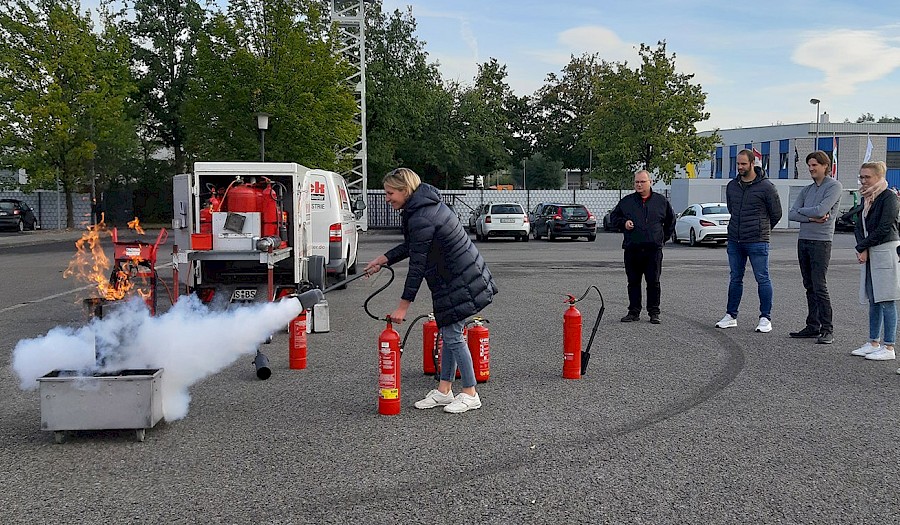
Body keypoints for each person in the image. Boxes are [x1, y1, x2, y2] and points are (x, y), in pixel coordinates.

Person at [364, 168, 497, 414]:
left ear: (405, 191)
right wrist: (384, 259)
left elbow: (418, 265)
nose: (387, 198)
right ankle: (444, 390)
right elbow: (415, 245)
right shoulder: (423, 208)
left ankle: (470, 393)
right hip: (454, 279)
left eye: (390, 193)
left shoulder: (421, 215)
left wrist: (403, 306)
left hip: (460, 280)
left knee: (454, 336)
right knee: (449, 334)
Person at [716, 149, 783, 332]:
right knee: (735, 278)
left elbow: (776, 213)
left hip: (757, 240)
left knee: (762, 278)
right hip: (735, 240)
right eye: (738, 164)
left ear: (753, 163)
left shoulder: (767, 187)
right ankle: (731, 315)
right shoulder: (732, 186)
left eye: (743, 164)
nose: (740, 167)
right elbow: (732, 208)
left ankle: (765, 318)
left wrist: (762, 230)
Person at [844, 161, 900, 362]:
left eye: (867, 177)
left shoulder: (889, 197)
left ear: (879, 177)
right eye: (861, 176)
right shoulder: (866, 198)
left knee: (887, 299)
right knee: (874, 299)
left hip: (885, 250)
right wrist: (863, 247)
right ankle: (873, 341)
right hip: (870, 250)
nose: (863, 180)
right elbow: (859, 225)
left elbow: (885, 227)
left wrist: (863, 247)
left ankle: (889, 346)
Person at [787, 151, 843, 344]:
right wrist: (810, 217)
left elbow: (822, 210)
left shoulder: (834, 186)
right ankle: (813, 326)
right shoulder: (807, 190)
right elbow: (791, 214)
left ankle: (827, 329)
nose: (811, 169)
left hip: (821, 242)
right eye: (809, 165)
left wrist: (807, 212)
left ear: (825, 166)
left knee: (819, 285)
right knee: (808, 285)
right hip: (804, 240)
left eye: (815, 165)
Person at [609, 169, 675, 324]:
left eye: (642, 182)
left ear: (650, 182)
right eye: (636, 182)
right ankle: (633, 312)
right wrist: (624, 223)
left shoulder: (661, 201)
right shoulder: (627, 201)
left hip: (653, 250)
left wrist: (661, 239)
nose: (639, 185)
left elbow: (670, 222)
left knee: (653, 282)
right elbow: (614, 217)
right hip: (633, 249)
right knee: (633, 282)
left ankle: (654, 312)